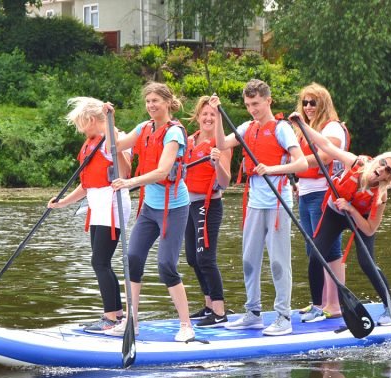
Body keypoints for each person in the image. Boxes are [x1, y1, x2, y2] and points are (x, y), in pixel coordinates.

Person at [208, 82, 308, 337]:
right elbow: (221, 144)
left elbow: (301, 164)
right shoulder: (246, 127)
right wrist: (218, 114)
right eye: (248, 105)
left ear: (268, 101)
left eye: (256, 104)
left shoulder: (282, 129)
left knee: (277, 261)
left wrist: (271, 169)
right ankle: (253, 313)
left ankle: (283, 316)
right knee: (248, 260)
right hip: (254, 202)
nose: (252, 109)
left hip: (278, 203)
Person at [105, 83, 194, 342]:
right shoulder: (144, 128)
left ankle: (186, 325)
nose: (151, 105)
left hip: (174, 207)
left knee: (166, 265)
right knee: (132, 259)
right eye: (148, 101)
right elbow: (116, 144)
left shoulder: (174, 133)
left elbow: (163, 172)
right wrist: (108, 119)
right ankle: (132, 321)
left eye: (156, 100)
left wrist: (129, 183)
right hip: (149, 208)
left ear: (167, 102)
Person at [291, 113, 391, 317]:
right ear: (377, 161)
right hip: (335, 213)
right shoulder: (356, 163)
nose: (381, 169)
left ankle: (390, 306)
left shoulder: (381, 195)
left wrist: (351, 209)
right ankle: (317, 306)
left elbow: (370, 228)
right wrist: (301, 124)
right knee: (316, 255)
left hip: (359, 220)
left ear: (389, 177)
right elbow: (326, 146)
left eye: (387, 170)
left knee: (366, 263)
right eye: (382, 163)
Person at [48, 97, 132, 333]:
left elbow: (125, 171)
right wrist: (62, 202)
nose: (80, 129)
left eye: (82, 124)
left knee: (99, 261)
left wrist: (110, 126)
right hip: (98, 206)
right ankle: (114, 314)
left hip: (113, 204)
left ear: (93, 120)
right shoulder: (91, 143)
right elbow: (86, 185)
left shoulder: (111, 140)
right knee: (100, 262)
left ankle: (111, 318)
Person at [291, 83, 350, 322]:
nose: (307, 107)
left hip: (324, 193)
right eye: (304, 102)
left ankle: (335, 303)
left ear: (322, 104)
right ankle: (321, 301)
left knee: (329, 250)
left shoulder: (332, 127)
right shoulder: (307, 128)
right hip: (306, 192)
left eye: (312, 103)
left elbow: (326, 156)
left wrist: (294, 166)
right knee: (314, 250)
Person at [183, 96, 233, 328]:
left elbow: (224, 182)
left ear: (219, 118)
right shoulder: (189, 140)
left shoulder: (221, 145)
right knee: (193, 258)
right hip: (187, 205)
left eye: (213, 114)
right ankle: (209, 305)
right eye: (205, 114)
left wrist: (216, 163)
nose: (208, 117)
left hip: (208, 204)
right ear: (198, 116)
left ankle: (220, 311)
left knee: (205, 258)